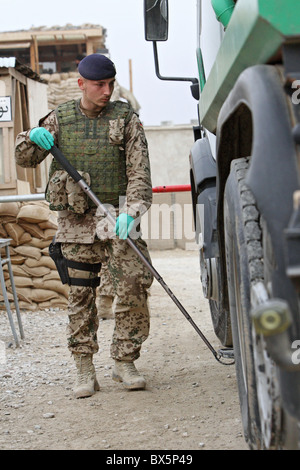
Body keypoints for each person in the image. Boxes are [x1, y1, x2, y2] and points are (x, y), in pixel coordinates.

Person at [15, 53, 153, 399]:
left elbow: (140, 173)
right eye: (98, 84)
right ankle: (84, 367)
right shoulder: (60, 118)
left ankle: (124, 361)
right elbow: (23, 157)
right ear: (82, 84)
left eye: (110, 83)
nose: (106, 91)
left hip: (118, 217)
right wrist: (31, 135)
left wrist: (132, 212)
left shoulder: (126, 119)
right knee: (80, 294)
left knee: (134, 285)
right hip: (76, 222)